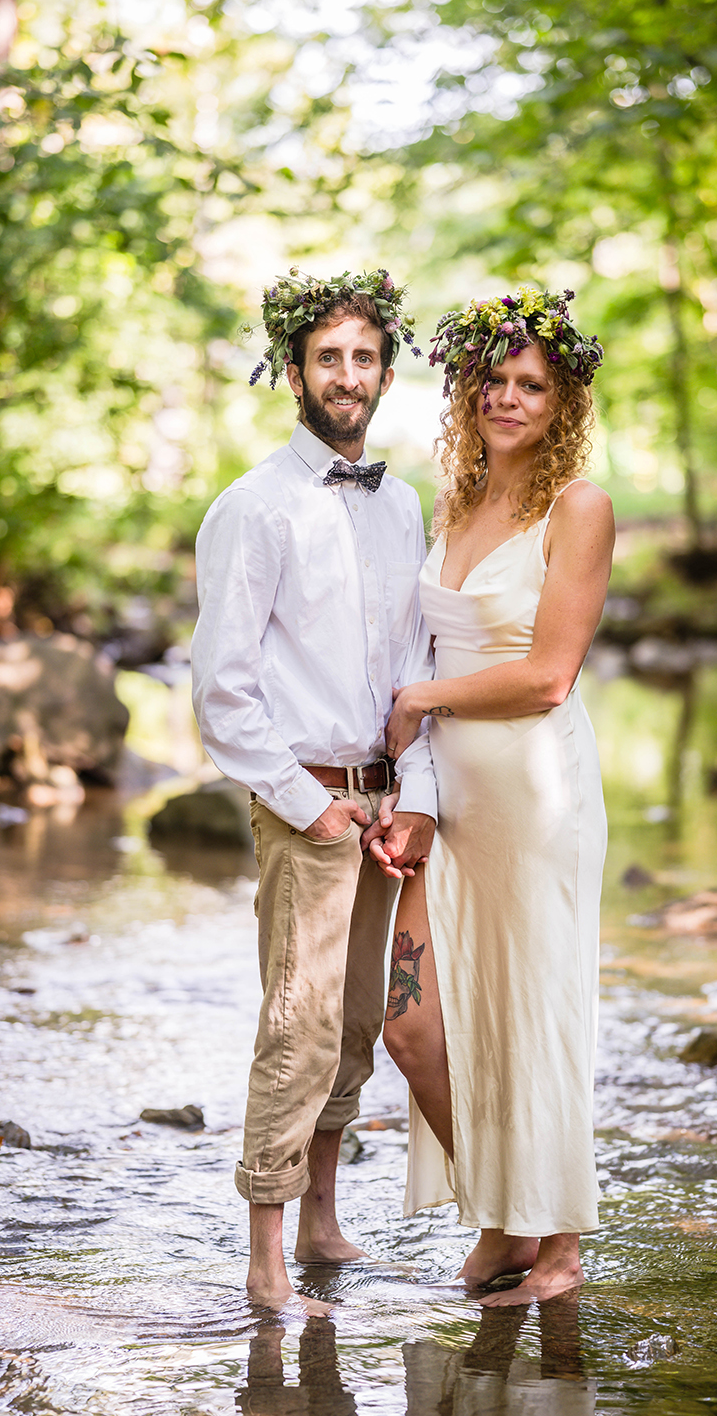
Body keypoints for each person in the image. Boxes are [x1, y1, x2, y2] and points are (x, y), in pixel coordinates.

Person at [191, 268, 437, 1312]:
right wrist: (311, 802)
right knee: (296, 1022)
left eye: (363, 357)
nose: (347, 376)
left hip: (386, 807)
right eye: (327, 357)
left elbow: (415, 676)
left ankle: (328, 1220)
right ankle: (265, 1256)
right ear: (292, 370)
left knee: (355, 1025)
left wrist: (411, 795)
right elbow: (221, 691)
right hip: (306, 806)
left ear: (386, 369)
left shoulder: (404, 504)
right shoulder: (252, 509)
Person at [374, 287, 613, 1306]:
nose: (511, 399)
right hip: (450, 795)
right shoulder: (455, 499)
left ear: (560, 406)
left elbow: (549, 673)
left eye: (533, 387)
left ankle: (554, 1249)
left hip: (537, 790)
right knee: (412, 1024)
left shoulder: (580, 509)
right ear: (466, 388)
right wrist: (413, 781)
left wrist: (421, 696)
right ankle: (500, 1209)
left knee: (534, 1011)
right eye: (496, 381)